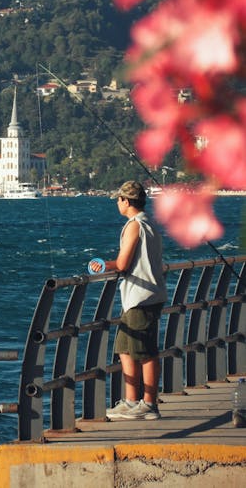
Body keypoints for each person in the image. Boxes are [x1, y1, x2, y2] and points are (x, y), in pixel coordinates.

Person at [89, 180, 167, 420]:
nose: (117, 203)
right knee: (126, 348)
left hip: (140, 297)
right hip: (150, 294)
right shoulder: (150, 223)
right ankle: (134, 402)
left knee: (142, 351)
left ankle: (147, 404)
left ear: (126, 201)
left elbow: (123, 264)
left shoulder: (134, 225)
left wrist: (102, 265)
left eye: (119, 199)